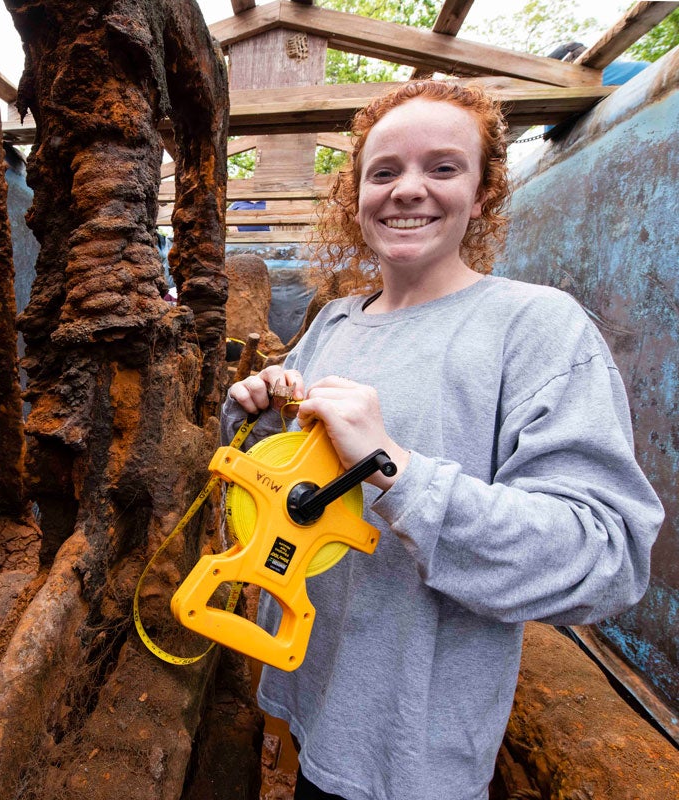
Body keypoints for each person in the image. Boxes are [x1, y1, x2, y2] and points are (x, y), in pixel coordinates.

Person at [221, 80, 663, 800]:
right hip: (309, 694)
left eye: (443, 168)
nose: (407, 191)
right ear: (356, 195)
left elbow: (604, 555)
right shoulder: (334, 322)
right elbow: (291, 479)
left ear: (484, 192)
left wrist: (393, 466)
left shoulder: (538, 328)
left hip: (411, 754)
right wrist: (260, 414)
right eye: (385, 171)